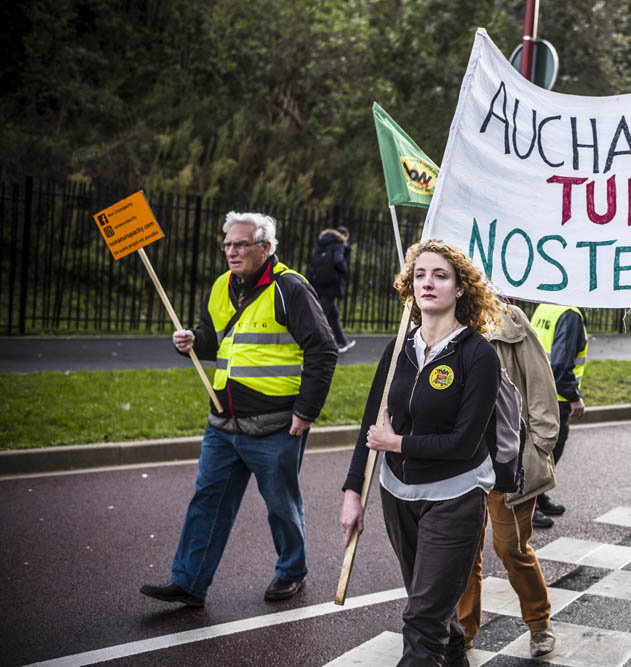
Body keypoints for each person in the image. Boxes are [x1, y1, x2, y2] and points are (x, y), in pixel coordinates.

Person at [140, 212, 337, 607]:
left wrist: (306, 412)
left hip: (276, 425)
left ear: (266, 248)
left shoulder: (290, 288)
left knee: (281, 504)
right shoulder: (220, 287)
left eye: (240, 244)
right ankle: (189, 581)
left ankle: (291, 572)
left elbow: (323, 348)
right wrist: (192, 340)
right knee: (207, 501)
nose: (231, 251)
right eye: (227, 244)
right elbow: (214, 341)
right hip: (223, 422)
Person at [340, 239, 504, 667]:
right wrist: (352, 492)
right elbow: (369, 426)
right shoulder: (397, 349)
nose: (427, 283)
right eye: (419, 275)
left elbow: (464, 442)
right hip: (398, 496)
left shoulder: (479, 355)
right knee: (435, 614)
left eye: (440, 275)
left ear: (461, 288)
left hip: (455, 498)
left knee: (421, 620)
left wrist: (397, 444)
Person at [456, 303, 560, 659]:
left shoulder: (511, 323)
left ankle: (539, 621)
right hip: (459, 461)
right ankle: (463, 630)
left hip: (506, 460)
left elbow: (541, 386)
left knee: (510, 547)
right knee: (463, 551)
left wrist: (538, 449)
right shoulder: (442, 321)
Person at [529, 303, 587, 518]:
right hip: (555, 395)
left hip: (536, 388)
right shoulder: (570, 314)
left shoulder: (545, 306)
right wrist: (574, 397)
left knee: (540, 450)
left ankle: (539, 497)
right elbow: (561, 364)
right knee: (548, 451)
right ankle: (529, 503)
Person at [305, 228, 355, 353]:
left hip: (318, 283)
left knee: (333, 315)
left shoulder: (321, 244)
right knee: (320, 316)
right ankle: (312, 344)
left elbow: (312, 263)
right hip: (331, 284)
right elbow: (338, 261)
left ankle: (342, 341)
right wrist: (343, 271)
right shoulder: (338, 245)